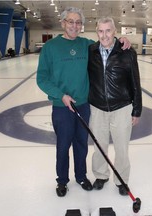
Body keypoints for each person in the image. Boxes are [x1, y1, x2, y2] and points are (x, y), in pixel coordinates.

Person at [36, 7, 131, 197]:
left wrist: (122, 39)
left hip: (83, 105)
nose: (74, 25)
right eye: (70, 21)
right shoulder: (50, 47)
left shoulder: (87, 45)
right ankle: (62, 181)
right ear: (63, 23)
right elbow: (42, 78)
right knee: (63, 146)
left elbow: (107, 42)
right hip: (62, 107)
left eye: (78, 22)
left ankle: (81, 176)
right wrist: (60, 95)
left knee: (81, 144)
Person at [88, 17, 142, 196]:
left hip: (121, 107)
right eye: (101, 31)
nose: (104, 35)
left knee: (121, 148)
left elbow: (135, 82)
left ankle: (121, 180)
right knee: (99, 146)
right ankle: (101, 175)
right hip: (97, 107)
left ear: (115, 32)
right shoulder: (91, 51)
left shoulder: (127, 52)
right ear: (97, 32)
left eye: (108, 31)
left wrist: (137, 109)